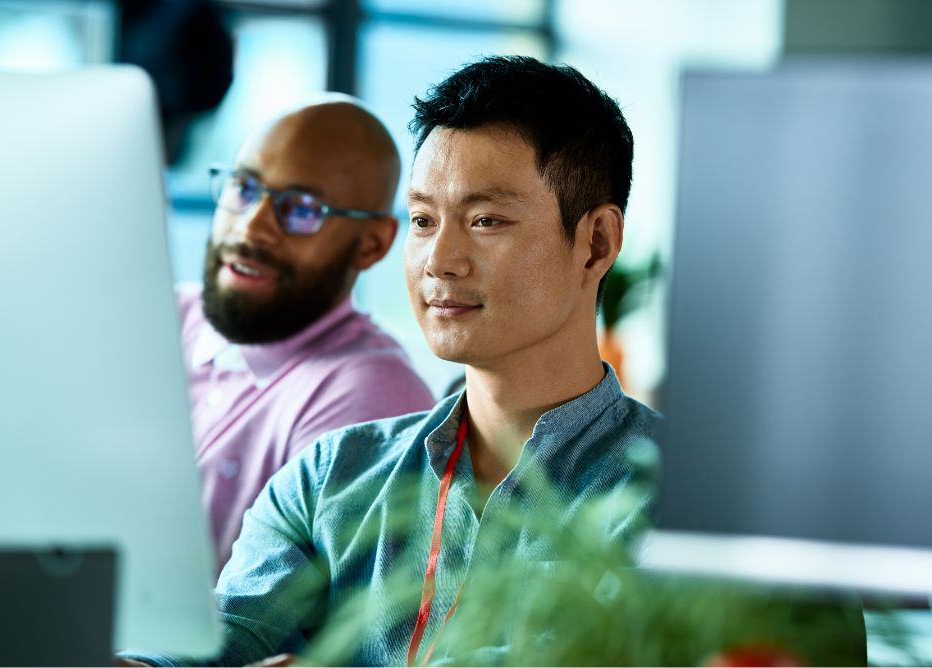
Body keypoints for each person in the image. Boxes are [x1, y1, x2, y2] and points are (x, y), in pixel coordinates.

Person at [121, 56, 659, 666]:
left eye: (486, 221)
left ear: (596, 244)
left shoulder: (671, 498)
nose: (440, 259)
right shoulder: (329, 474)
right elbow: (220, 640)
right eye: (425, 220)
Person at [180, 97, 435, 572]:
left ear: (373, 243)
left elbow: (269, 626)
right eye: (244, 187)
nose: (252, 226)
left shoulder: (369, 395)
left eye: (301, 209)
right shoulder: (165, 315)